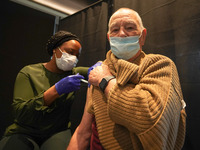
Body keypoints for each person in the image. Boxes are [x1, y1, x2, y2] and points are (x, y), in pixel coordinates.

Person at [67, 8, 187, 150]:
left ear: (142, 36)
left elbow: (150, 119)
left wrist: (106, 80)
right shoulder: (98, 72)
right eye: (115, 30)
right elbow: (83, 132)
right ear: (109, 37)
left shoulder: (160, 65)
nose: (122, 34)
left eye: (130, 28)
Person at [0, 30, 89, 150]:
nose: (73, 58)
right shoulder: (29, 72)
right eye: (70, 52)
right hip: (25, 130)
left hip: (57, 131)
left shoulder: (73, 73)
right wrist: (55, 90)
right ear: (55, 49)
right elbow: (20, 113)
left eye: (77, 55)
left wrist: (100, 66)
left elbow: (99, 69)